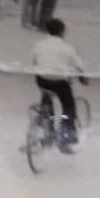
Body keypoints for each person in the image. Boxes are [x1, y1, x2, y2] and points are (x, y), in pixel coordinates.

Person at [31, 18, 85, 153]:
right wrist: (83, 78)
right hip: (59, 82)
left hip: (42, 80)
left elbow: (34, 61)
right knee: (68, 106)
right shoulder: (68, 48)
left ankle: (48, 132)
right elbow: (79, 66)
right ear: (62, 32)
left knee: (46, 98)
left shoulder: (38, 45)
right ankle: (66, 138)